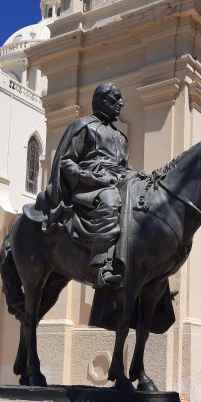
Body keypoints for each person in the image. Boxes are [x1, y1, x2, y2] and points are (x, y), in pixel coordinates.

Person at [35, 82, 138, 288]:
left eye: (120, 99)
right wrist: (92, 178)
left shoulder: (120, 137)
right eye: (115, 98)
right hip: (89, 187)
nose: (121, 103)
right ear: (101, 100)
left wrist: (138, 176)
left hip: (116, 182)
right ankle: (103, 266)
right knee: (110, 201)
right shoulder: (84, 126)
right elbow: (66, 162)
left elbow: (126, 167)